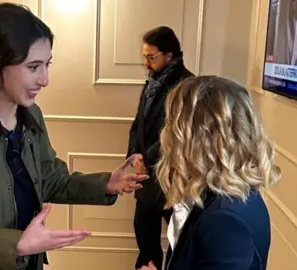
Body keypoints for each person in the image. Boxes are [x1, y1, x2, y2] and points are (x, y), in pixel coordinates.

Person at [0, 3, 148, 270]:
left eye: (46, 65)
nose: (45, 79)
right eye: (33, 67)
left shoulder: (31, 116)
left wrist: (105, 184)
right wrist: (17, 244)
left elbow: (49, 178)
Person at [138, 76, 281, 270]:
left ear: (195, 138)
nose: (166, 133)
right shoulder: (216, 195)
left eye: (172, 123)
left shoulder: (225, 220)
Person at [127, 26, 195, 270]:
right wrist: (134, 156)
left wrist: (147, 157)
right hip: (146, 176)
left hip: (173, 179)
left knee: (181, 244)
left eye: (150, 57)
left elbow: (178, 132)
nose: (146, 62)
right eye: (144, 57)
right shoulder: (152, 82)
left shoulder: (188, 85)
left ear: (169, 55)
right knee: (146, 241)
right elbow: (138, 124)